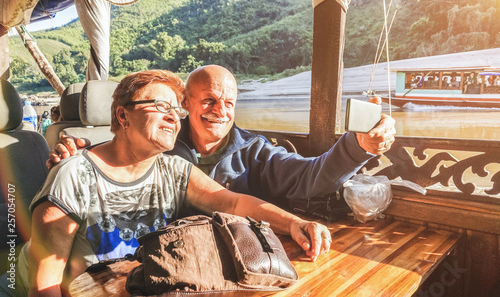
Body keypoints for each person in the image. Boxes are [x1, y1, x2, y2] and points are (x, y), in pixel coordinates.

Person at [0, 70, 330, 296]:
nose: (173, 115)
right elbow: (45, 286)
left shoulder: (171, 170)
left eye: (176, 108)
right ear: (122, 116)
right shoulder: (73, 176)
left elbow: (232, 202)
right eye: (160, 106)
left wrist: (295, 222)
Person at [48, 65, 395, 204]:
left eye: (229, 102)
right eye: (210, 100)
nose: (220, 110)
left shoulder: (254, 151)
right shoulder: (159, 141)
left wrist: (358, 145)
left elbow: (309, 177)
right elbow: (116, 156)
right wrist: (77, 157)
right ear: (186, 103)